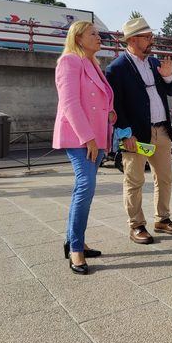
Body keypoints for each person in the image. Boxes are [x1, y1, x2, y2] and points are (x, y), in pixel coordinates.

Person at [105, 16, 172, 244]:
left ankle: (162, 219)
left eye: (151, 35)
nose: (152, 40)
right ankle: (137, 225)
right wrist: (124, 134)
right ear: (132, 39)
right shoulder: (116, 69)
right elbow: (115, 105)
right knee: (135, 180)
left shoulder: (154, 63)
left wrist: (168, 76)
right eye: (147, 36)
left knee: (165, 178)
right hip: (136, 134)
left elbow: (170, 91)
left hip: (161, 131)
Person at [53, 21, 115, 275]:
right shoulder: (69, 61)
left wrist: (111, 112)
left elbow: (100, 99)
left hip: (97, 137)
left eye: (98, 33)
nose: (98, 37)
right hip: (80, 138)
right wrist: (88, 137)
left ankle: (73, 241)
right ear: (78, 38)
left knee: (83, 187)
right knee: (85, 187)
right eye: (93, 34)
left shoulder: (93, 64)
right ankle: (76, 248)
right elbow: (69, 103)